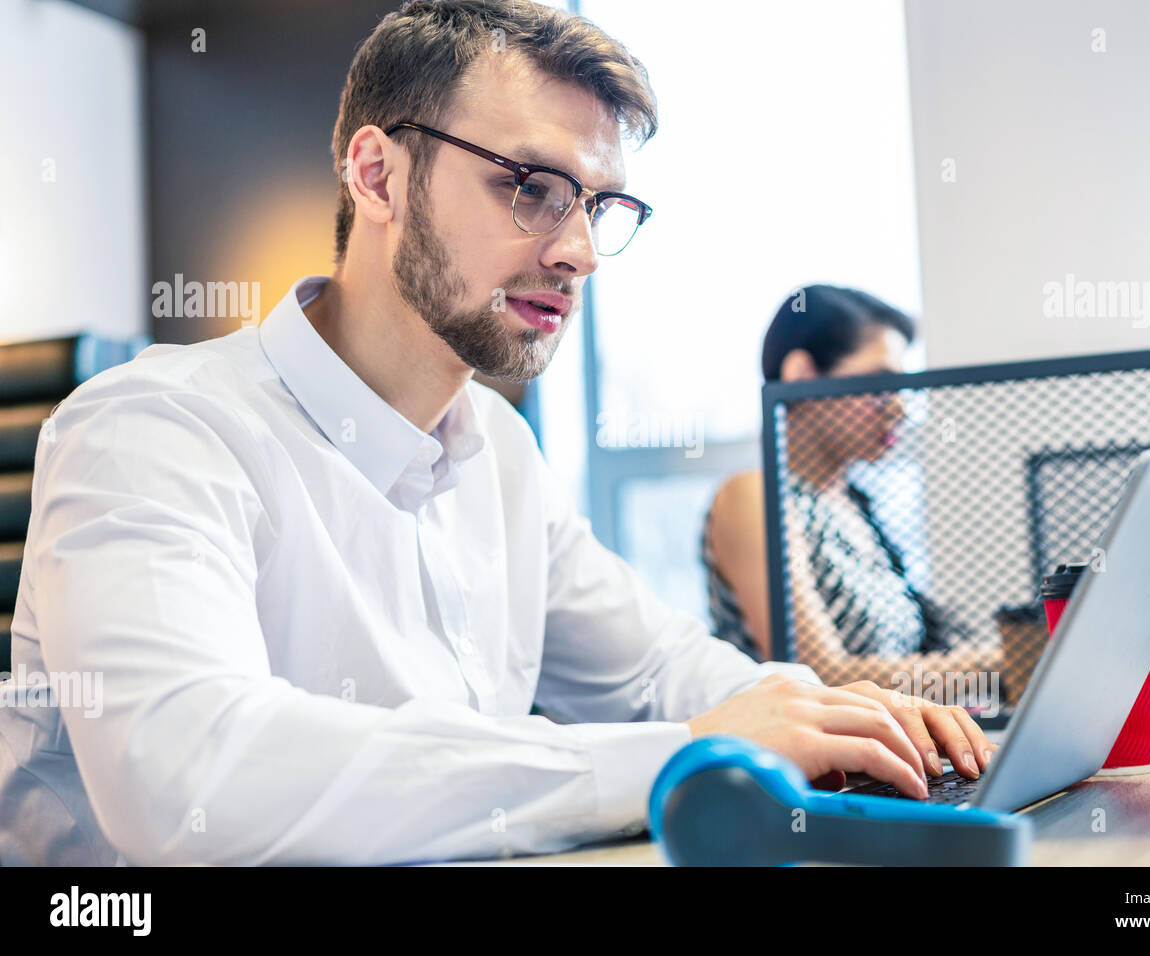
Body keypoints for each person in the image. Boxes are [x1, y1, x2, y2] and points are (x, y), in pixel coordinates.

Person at [0, 1, 993, 866]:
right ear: (378, 176)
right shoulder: (153, 426)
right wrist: (691, 748)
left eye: (600, 207)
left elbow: (657, 670)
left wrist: (826, 724)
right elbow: (187, 776)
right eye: (530, 186)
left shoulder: (497, 453)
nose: (575, 252)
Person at [704, 285, 999, 699]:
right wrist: (1004, 664)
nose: (899, 408)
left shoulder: (855, 507)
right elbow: (820, 677)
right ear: (803, 376)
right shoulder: (753, 497)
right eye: (880, 386)